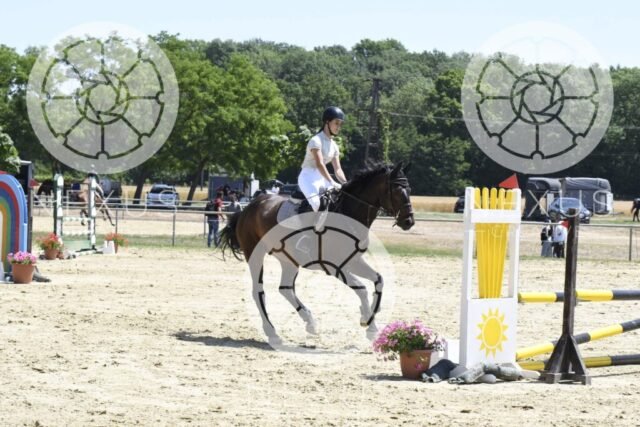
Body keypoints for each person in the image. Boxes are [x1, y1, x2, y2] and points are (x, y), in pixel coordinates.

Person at [297, 106, 348, 212]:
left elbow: (338, 169)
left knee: (337, 201)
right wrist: (332, 181)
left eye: (340, 124)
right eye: (336, 123)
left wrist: (346, 183)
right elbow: (320, 164)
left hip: (322, 178)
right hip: (308, 177)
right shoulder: (316, 140)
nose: (339, 127)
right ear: (327, 122)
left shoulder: (334, 146)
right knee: (316, 204)